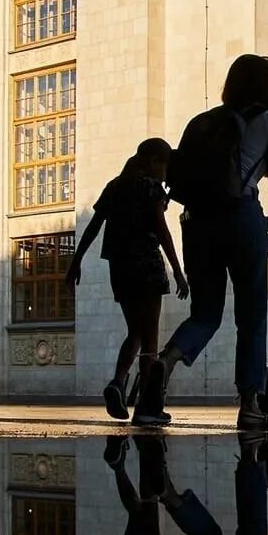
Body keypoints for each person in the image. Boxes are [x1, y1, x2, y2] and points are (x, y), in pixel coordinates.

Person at [136, 56, 268, 427]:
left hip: (197, 222)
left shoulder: (201, 122)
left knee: (205, 314)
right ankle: (250, 405)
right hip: (241, 219)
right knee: (251, 316)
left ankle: (164, 362)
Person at [68, 139, 190, 422]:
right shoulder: (150, 188)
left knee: (135, 330)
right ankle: (149, 406)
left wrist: (75, 261)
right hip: (147, 265)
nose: (166, 171)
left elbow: (94, 227)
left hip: (120, 269)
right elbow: (161, 231)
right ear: (153, 161)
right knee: (150, 338)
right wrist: (178, 270)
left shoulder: (115, 186)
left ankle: (118, 382)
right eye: (165, 164)